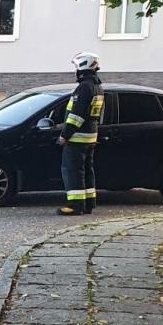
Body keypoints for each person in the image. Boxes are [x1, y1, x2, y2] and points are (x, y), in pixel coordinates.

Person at [58, 51, 104, 215]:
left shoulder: (83, 88)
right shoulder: (97, 87)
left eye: (76, 67)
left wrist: (65, 135)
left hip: (77, 138)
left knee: (73, 171)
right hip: (90, 137)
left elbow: (76, 115)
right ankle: (89, 203)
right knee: (87, 170)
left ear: (82, 67)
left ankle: (75, 206)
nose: (75, 71)